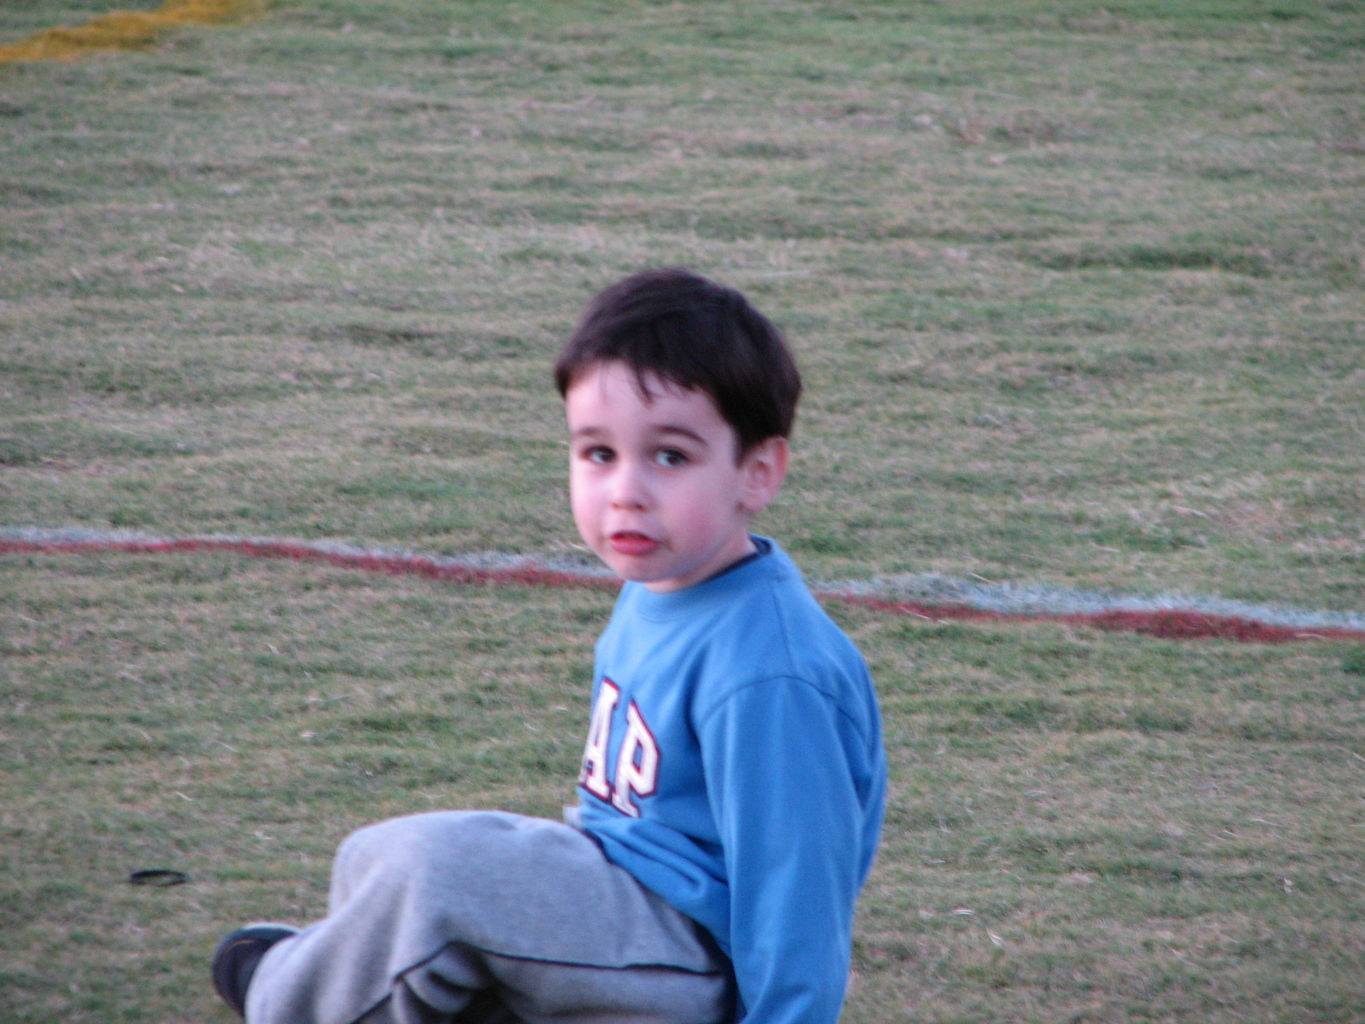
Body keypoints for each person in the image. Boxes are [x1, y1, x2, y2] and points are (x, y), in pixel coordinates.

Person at [211, 268, 887, 1024]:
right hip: (620, 904)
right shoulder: (665, 581)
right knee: (379, 854)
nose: (625, 490)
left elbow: (796, 905)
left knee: (438, 877)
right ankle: (345, 977)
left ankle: (284, 994)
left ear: (755, 472)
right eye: (597, 453)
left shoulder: (767, 672)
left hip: (689, 962)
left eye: (670, 456)